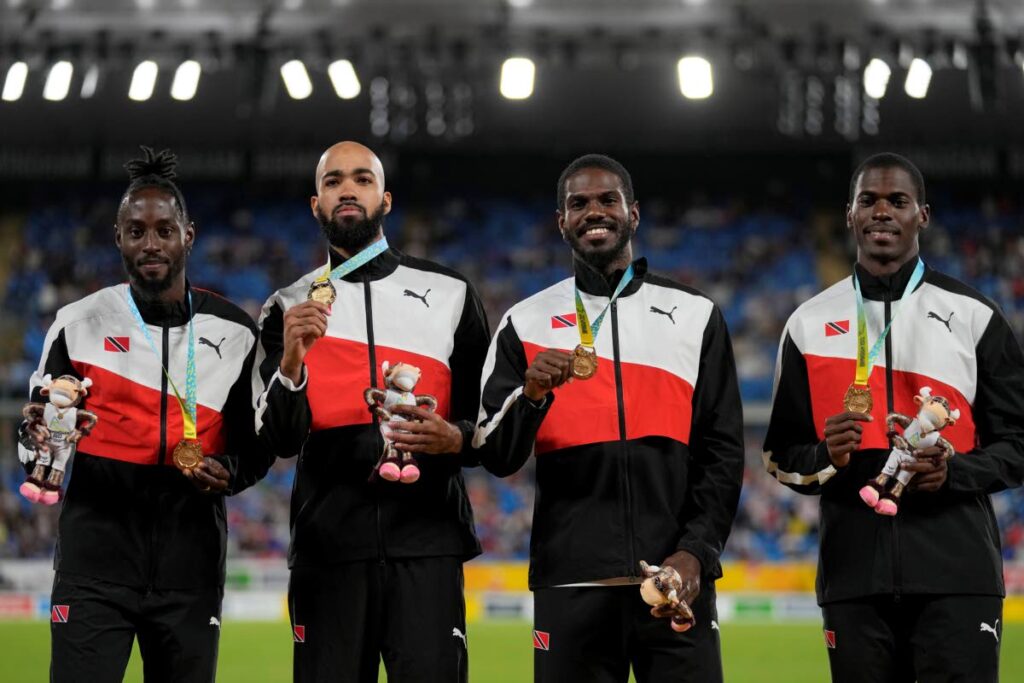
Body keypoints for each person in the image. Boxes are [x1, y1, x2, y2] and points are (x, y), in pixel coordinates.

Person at [473, 154, 745, 682]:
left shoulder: (696, 315)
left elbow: (724, 452)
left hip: (674, 579)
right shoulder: (522, 322)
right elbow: (495, 455)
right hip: (571, 584)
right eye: (579, 203)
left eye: (607, 200)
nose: (593, 211)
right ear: (562, 221)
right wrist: (530, 395)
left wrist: (695, 554)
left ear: (633, 213)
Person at [763, 152, 1024, 682]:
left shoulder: (976, 316)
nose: (882, 211)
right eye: (869, 200)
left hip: (959, 575)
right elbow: (780, 457)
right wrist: (825, 457)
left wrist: (956, 474)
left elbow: (1018, 444)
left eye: (897, 201)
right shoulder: (807, 324)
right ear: (850, 215)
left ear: (921, 215)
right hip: (854, 580)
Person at [17, 146, 269, 683]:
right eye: (136, 231)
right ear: (119, 239)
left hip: (190, 571)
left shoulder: (234, 332)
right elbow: (39, 440)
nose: (150, 243)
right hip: (94, 568)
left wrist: (232, 472)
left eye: (163, 230)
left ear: (188, 235)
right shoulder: (76, 323)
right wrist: (36, 439)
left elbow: (255, 444)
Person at [253, 140, 490, 682]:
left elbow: (487, 424)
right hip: (328, 552)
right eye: (333, 181)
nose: (348, 190)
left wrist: (455, 437)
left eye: (362, 179)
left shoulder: (449, 292)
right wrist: (292, 360)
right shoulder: (287, 306)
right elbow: (281, 439)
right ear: (316, 204)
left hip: (428, 547)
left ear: (386, 198)